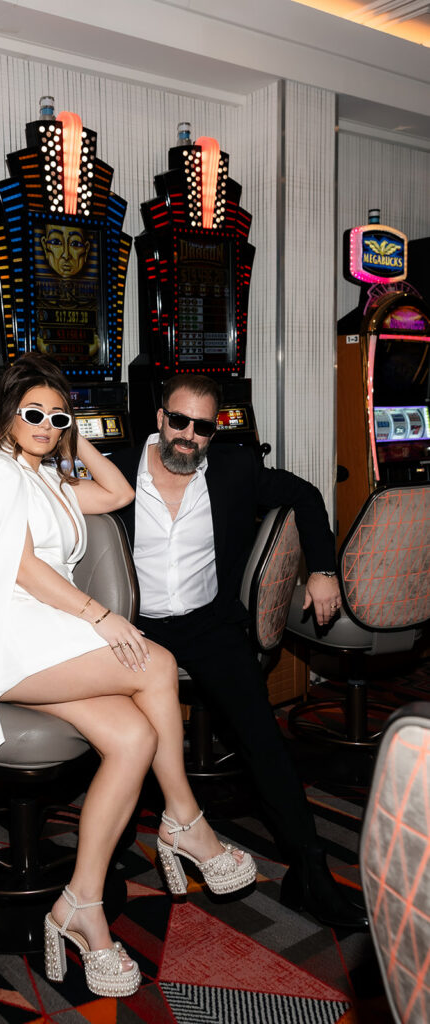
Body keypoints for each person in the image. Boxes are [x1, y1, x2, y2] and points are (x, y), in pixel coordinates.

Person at [0, 353, 257, 999]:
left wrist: (73, 439)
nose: (44, 425)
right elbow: (22, 568)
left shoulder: (46, 478)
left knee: (133, 738)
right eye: (32, 413)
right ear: (4, 416)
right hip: (9, 638)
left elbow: (118, 494)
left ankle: (79, 905)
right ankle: (183, 818)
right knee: (157, 662)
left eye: (56, 416)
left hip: (47, 637)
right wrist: (100, 616)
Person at [109, 374, 369, 930]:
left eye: (203, 427)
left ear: (215, 431)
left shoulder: (234, 468)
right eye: (179, 421)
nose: (188, 436)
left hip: (208, 625)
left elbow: (306, 495)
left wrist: (324, 570)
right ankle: (107, 865)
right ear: (160, 417)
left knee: (262, 738)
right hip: (134, 629)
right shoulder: (116, 472)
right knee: (119, 740)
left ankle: (310, 871)